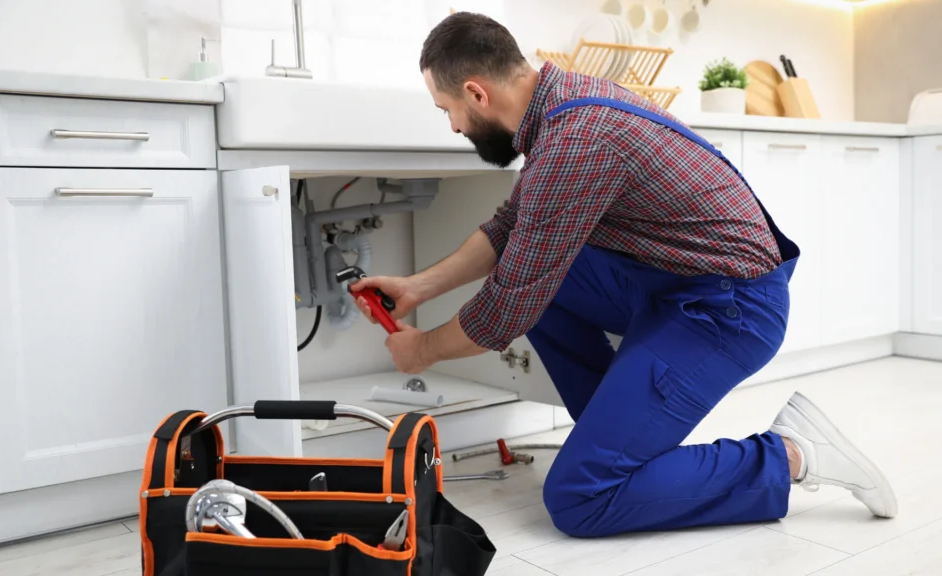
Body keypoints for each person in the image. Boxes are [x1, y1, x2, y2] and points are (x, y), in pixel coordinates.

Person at [352, 12, 897, 538]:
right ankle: (617, 441)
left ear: (476, 93)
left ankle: (790, 454)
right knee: (546, 272)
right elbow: (509, 228)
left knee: (578, 498)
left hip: (730, 312)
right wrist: (417, 288)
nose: (452, 125)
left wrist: (423, 351)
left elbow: (507, 309)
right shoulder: (562, 103)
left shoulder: (575, 141)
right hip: (680, 285)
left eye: (448, 109)